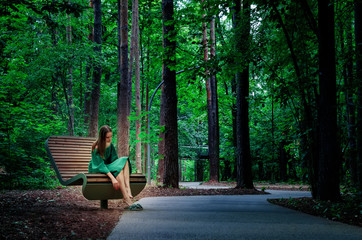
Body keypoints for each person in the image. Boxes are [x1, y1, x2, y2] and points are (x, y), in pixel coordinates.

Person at [88, 125, 142, 210]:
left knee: (124, 160)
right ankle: (126, 199)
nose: (109, 139)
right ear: (102, 137)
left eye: (111, 136)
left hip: (108, 167)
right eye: (107, 137)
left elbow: (114, 160)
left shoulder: (110, 145)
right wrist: (113, 178)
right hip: (98, 168)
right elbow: (100, 165)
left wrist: (118, 167)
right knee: (119, 169)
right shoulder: (96, 147)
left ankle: (127, 190)